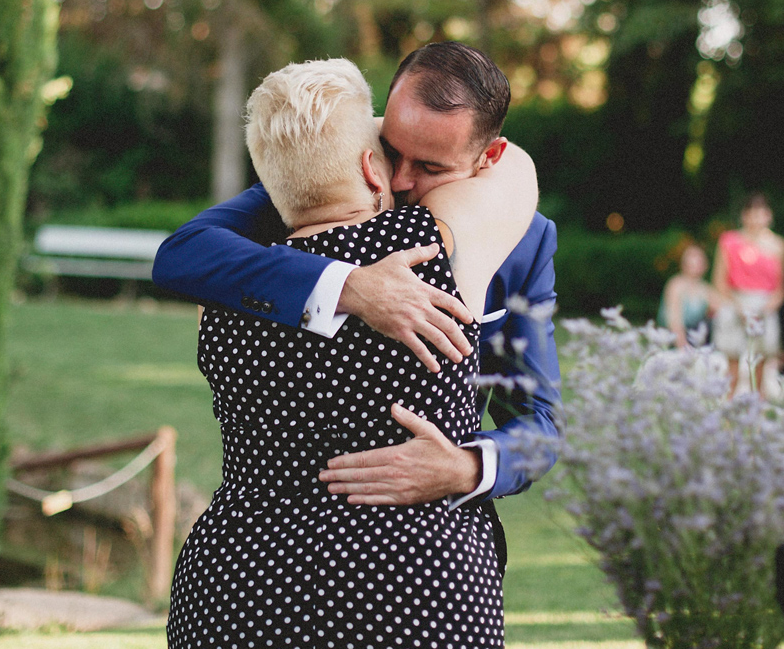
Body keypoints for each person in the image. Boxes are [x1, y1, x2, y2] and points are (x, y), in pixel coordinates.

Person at [166, 58, 539, 649]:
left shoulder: (228, 293)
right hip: (412, 590)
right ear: (373, 168)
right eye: (391, 155)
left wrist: (304, 158)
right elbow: (516, 166)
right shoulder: (435, 244)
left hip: (235, 587)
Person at [152, 41, 560, 515]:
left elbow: (541, 423)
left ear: (489, 156)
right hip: (278, 528)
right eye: (391, 149)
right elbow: (183, 254)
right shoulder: (330, 176)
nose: (399, 179)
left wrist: (467, 467)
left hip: (427, 549)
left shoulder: (526, 240)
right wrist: (349, 285)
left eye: (430, 167)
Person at [712, 193, 784, 396]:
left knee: (761, 366)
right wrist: (740, 308)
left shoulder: (778, 245)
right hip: (734, 302)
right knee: (733, 366)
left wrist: (764, 309)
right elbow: (720, 281)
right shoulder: (729, 241)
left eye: (760, 213)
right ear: (744, 215)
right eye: (751, 213)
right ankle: (727, 411)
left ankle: (757, 412)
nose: (755, 218)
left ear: (768, 216)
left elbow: (781, 288)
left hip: (764, 305)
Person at [658, 242, 720, 348]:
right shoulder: (676, 285)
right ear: (684, 264)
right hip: (672, 341)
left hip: (696, 341)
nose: (695, 265)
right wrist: (684, 349)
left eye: (699, 261)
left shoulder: (705, 289)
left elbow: (722, 309)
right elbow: (674, 322)